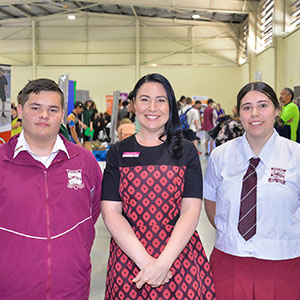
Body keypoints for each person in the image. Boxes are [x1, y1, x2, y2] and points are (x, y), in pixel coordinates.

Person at [101, 73, 215, 300]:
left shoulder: (186, 151)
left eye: (161, 100)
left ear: (170, 105)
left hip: (179, 259)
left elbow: (191, 211)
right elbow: (110, 212)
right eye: (145, 99)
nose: (152, 107)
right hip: (130, 260)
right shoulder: (118, 152)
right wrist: (146, 263)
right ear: (134, 104)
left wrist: (163, 264)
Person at [0, 78, 102, 299]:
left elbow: (92, 211)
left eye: (52, 109)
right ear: (20, 110)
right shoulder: (2, 161)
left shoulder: (83, 161)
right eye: (35, 108)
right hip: (12, 288)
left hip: (71, 287)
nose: (44, 115)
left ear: (62, 114)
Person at [204, 81, 300, 300]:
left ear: (277, 110)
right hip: (229, 261)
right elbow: (210, 201)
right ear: (239, 113)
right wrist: (229, 231)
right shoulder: (221, 156)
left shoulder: (296, 156)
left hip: (284, 262)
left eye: (263, 106)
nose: (254, 113)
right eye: (247, 107)